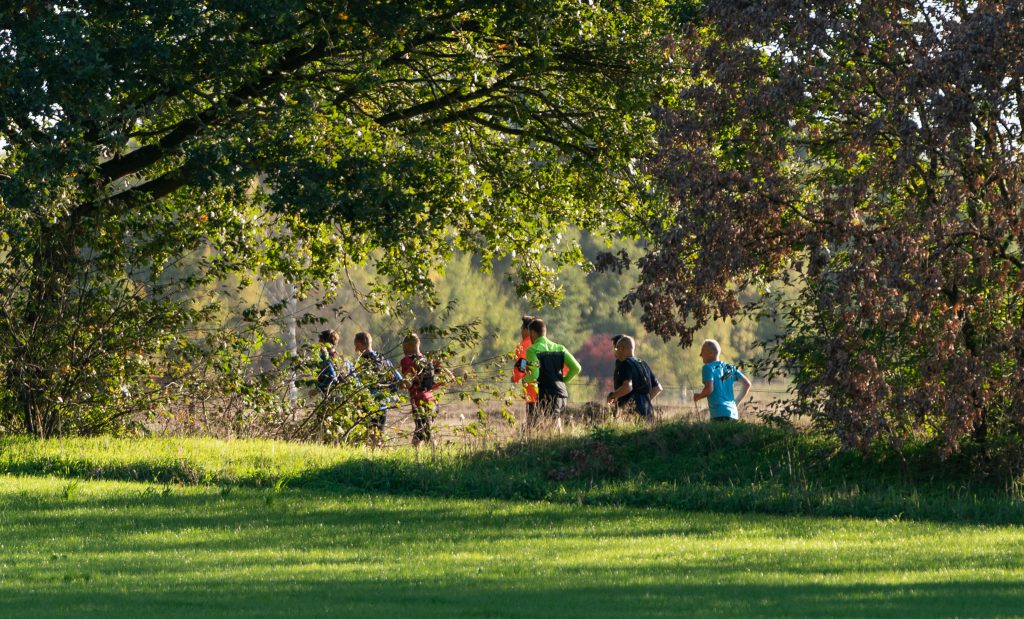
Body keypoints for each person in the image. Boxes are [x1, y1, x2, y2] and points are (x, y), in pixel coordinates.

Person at [523, 318, 581, 424]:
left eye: (529, 333)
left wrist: (524, 379)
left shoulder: (532, 350)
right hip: (562, 395)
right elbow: (576, 368)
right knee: (556, 426)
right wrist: (563, 380)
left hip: (547, 396)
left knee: (550, 430)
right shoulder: (560, 348)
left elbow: (535, 373)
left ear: (532, 332)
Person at [400, 333, 449, 446]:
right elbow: (448, 378)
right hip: (432, 403)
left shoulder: (406, 361)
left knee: (426, 435)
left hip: (419, 402)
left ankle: (434, 458)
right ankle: (417, 459)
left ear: (406, 345)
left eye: (403, 345)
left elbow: (407, 383)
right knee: (420, 434)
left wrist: (399, 382)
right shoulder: (427, 360)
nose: (402, 348)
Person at [353, 331, 400, 445]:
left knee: (365, 434)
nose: (355, 349)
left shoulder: (361, 361)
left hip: (366, 403)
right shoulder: (382, 359)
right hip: (382, 403)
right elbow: (397, 378)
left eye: (356, 345)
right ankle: (377, 457)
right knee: (378, 434)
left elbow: (356, 382)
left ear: (360, 343)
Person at [605, 335, 662, 421]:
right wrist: (644, 401)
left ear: (623, 348)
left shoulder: (625, 364)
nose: (615, 351)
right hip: (648, 414)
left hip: (632, 416)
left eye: (616, 348)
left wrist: (613, 396)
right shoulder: (643, 363)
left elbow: (627, 387)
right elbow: (658, 388)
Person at [692, 338, 751, 422]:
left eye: (703, 351)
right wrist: (736, 402)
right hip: (733, 414)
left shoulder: (708, 368)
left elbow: (709, 389)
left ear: (711, 353)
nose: (700, 354)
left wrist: (698, 396)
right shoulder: (729, 367)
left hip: (719, 415)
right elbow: (747, 384)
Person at [512, 315, 540, 418]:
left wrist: (515, 378)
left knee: (532, 419)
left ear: (526, 329)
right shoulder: (541, 343)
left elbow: (521, 367)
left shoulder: (524, 345)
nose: (521, 332)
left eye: (521, 329)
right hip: (548, 387)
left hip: (532, 390)